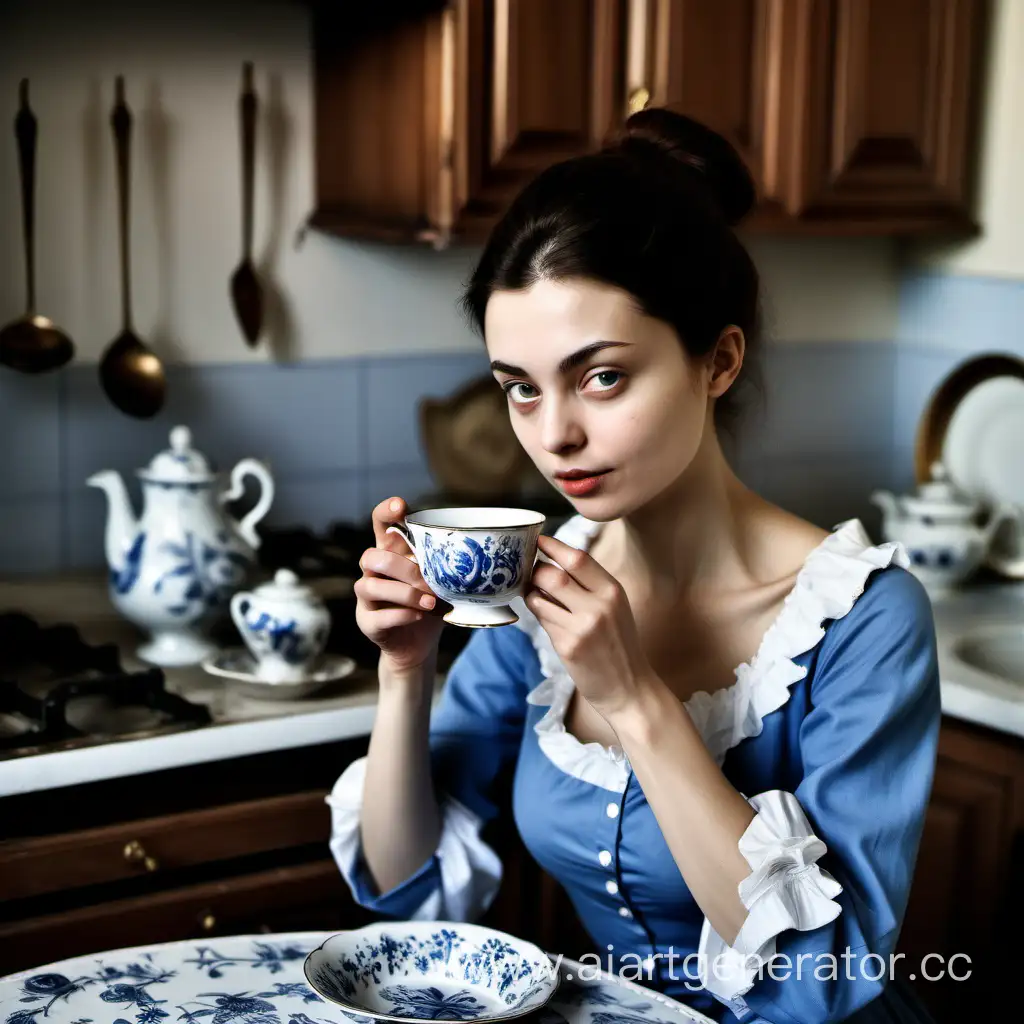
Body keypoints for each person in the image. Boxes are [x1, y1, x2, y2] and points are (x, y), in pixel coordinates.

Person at [329, 108, 941, 1024]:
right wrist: (406, 672)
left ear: (718, 360)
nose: (554, 434)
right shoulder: (540, 594)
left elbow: (824, 976)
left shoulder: (865, 618)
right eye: (521, 388)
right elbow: (405, 890)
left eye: (602, 375)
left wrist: (634, 699)